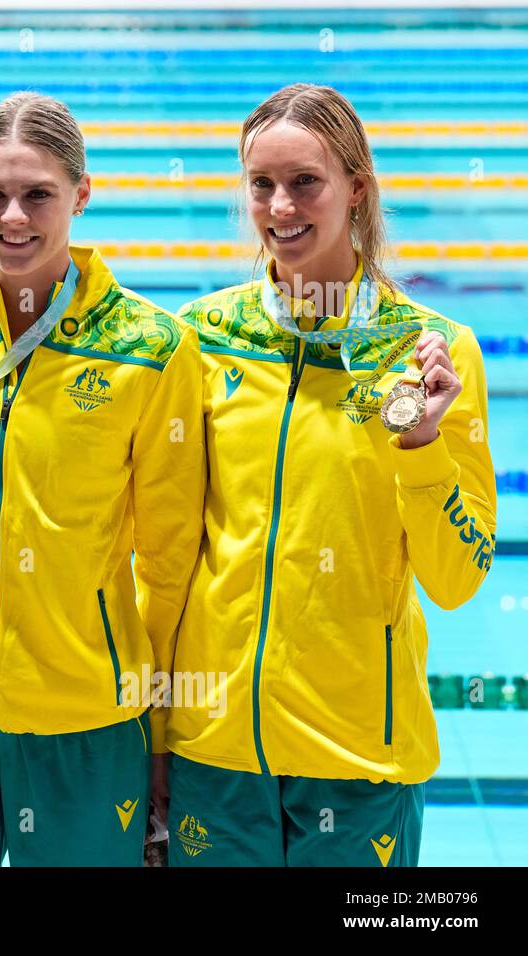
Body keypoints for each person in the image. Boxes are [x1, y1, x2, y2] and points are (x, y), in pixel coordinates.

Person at [0, 92, 205, 866]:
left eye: (37, 195)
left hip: (85, 720)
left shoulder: (153, 349)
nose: (12, 218)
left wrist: (160, 732)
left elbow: (169, 562)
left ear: (82, 195)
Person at [167, 84, 496, 866]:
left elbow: (458, 578)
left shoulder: (435, 352)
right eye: (261, 184)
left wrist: (421, 445)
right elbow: (164, 550)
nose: (281, 205)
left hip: (359, 759)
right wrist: (155, 735)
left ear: (357, 188)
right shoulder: (199, 339)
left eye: (304, 181)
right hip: (215, 752)